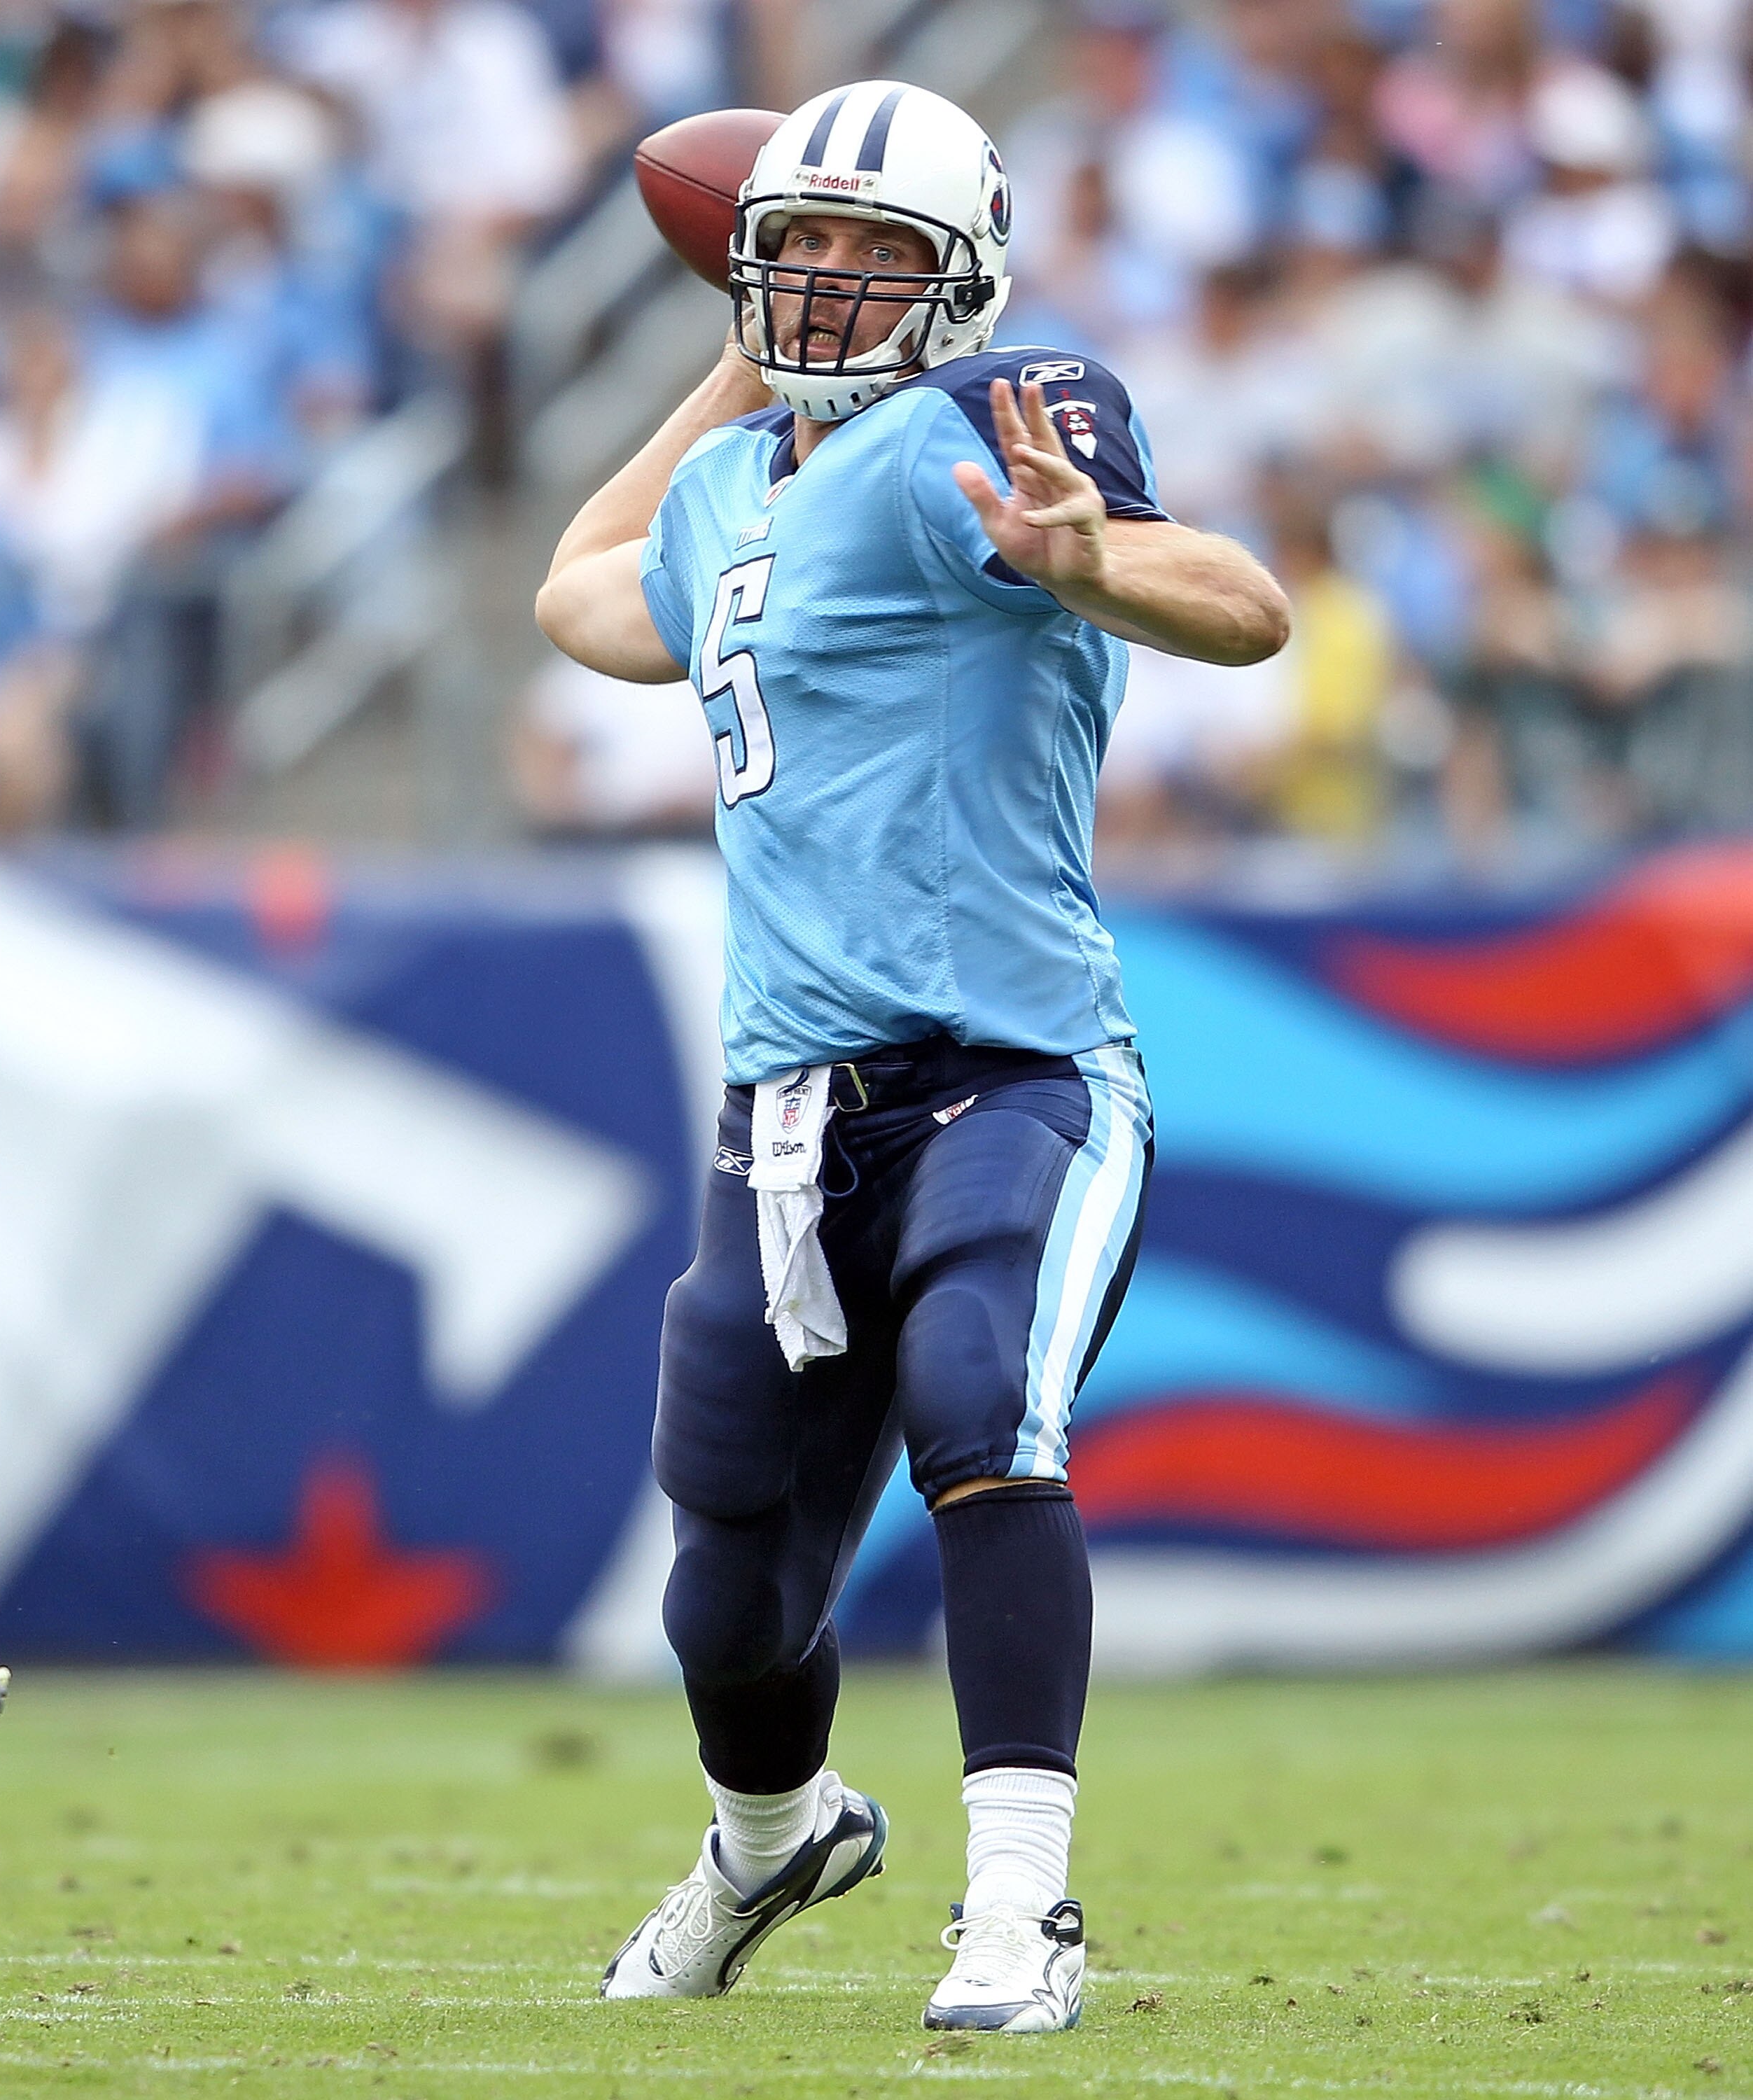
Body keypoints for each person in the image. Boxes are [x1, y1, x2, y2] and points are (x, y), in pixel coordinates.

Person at [536, 79, 1288, 2033]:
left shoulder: (997, 422)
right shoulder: (731, 495)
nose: (833, 293)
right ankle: (772, 1840)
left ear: (964, 280)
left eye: (878, 257)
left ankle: (1020, 1911)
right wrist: (723, 370)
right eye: (797, 255)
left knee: (982, 1408)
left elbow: (1249, 602)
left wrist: (1095, 565)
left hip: (1012, 1071)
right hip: (783, 1115)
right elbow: (573, 592)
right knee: (731, 1594)